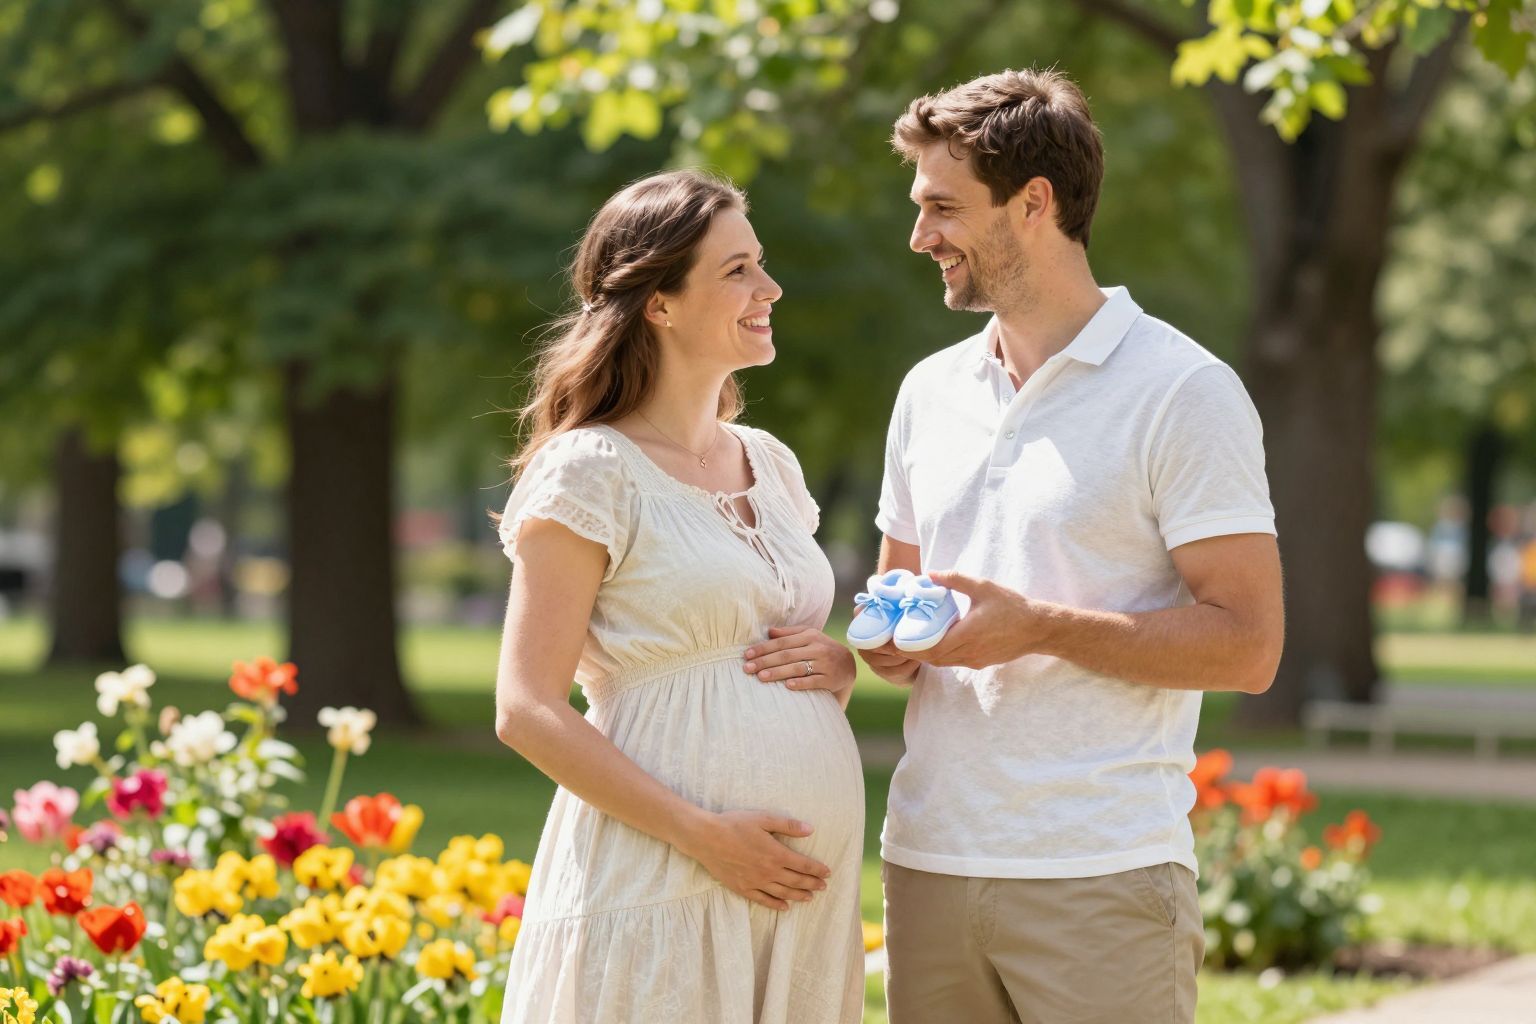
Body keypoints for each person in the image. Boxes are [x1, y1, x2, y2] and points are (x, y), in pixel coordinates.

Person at [861, 69, 1285, 1023]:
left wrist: (1039, 627)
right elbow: (899, 599)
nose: (920, 236)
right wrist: (888, 640)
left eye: (942, 207)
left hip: (1100, 873)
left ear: (1034, 203)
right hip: (927, 862)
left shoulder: (1183, 390)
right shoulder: (928, 392)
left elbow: (1250, 647)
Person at [491, 169, 865, 1024]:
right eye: (736, 270)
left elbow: (766, 646)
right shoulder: (591, 469)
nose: (769, 288)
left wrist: (836, 668)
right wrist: (704, 837)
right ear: (659, 302)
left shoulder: (769, 462)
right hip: (665, 882)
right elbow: (525, 707)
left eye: (761, 264)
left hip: (795, 908)